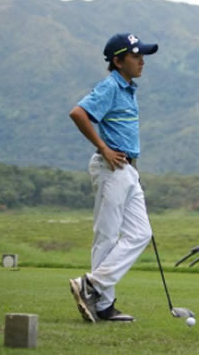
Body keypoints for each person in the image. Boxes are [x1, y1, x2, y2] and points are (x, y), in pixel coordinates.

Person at [67, 32, 159, 323]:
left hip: (127, 169)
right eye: (136, 56)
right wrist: (103, 148)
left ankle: (93, 287)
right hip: (112, 167)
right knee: (106, 236)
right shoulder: (110, 87)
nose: (142, 61)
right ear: (118, 61)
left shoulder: (128, 89)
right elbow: (78, 113)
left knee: (140, 234)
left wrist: (132, 167)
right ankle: (101, 304)